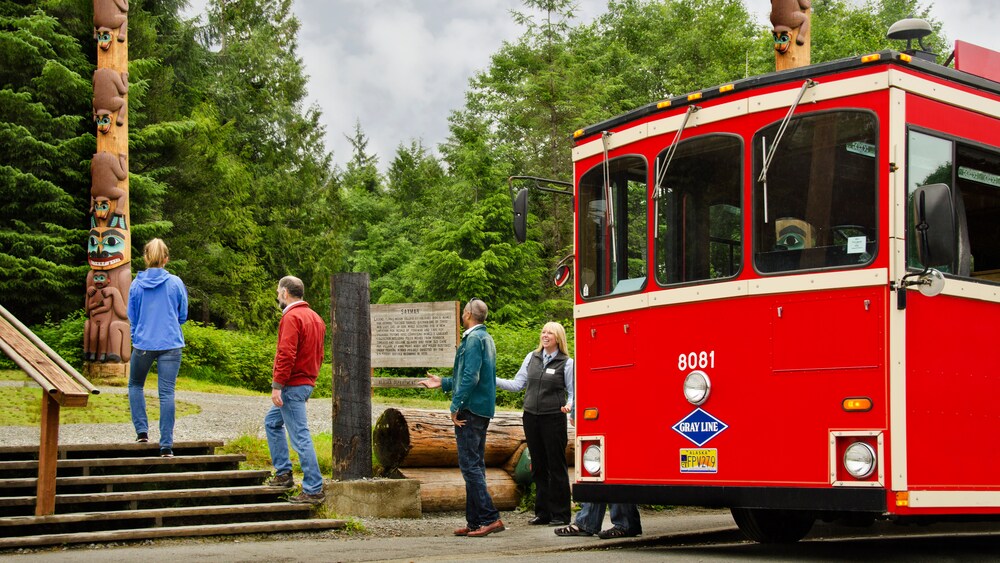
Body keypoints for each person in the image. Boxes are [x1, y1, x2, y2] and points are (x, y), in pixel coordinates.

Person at [420, 298, 503, 537]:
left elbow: (471, 377)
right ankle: (475, 521)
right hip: (481, 408)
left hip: (471, 409)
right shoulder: (485, 337)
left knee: (469, 466)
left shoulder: (474, 339)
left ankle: (490, 518)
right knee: (475, 465)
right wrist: (443, 383)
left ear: (467, 314)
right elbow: (469, 376)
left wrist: (455, 405)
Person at [495, 322, 574, 526]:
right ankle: (543, 513)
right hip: (531, 417)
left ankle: (561, 514)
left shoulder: (566, 363)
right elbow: (517, 385)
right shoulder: (532, 357)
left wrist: (570, 405)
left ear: (558, 338)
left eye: (550, 333)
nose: (545, 336)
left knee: (556, 465)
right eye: (543, 332)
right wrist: (491, 379)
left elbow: (574, 392)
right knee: (538, 465)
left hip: (553, 418)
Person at [263, 276, 326, 505]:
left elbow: (286, 353)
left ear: (286, 293)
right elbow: (319, 354)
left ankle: (313, 488)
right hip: (306, 382)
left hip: (293, 384)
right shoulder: (315, 317)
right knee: (271, 422)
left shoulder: (292, 316)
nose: (278, 295)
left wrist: (277, 385)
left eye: (279, 291)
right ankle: (283, 474)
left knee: (300, 436)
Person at [127, 238, 188, 458]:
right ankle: (166, 446)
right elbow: (182, 315)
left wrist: (138, 335)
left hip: (143, 343)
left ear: (145, 257)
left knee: (135, 385)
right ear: (166, 259)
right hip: (171, 343)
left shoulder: (136, 284)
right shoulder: (175, 282)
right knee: (166, 393)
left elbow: (131, 316)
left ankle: (142, 432)